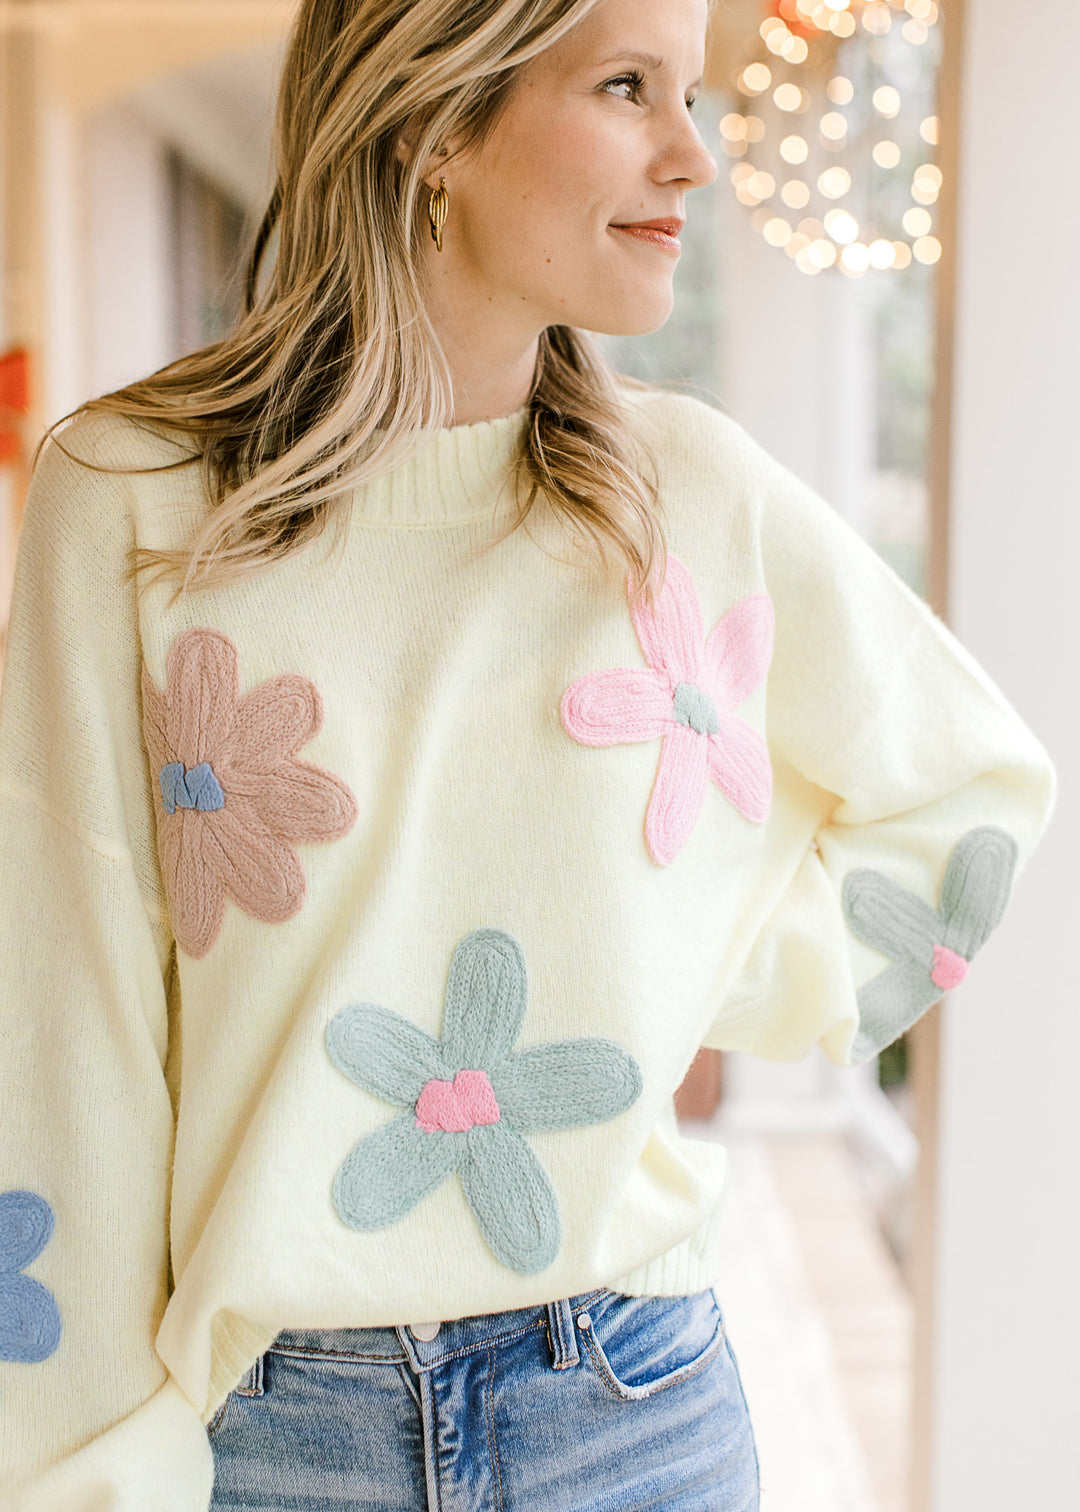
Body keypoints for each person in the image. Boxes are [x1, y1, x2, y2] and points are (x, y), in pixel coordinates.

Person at [0, 0, 1056, 1506]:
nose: (693, 154)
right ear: (436, 122)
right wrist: (85, 1471)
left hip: (634, 1409)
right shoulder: (133, 498)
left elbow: (974, 798)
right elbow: (59, 1026)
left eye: (689, 95)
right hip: (267, 1432)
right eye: (629, 87)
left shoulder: (688, 493)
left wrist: (683, 967)